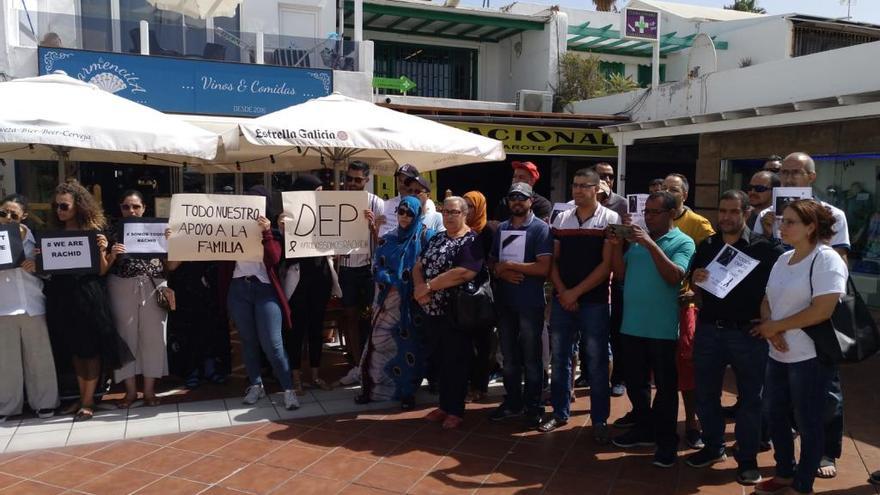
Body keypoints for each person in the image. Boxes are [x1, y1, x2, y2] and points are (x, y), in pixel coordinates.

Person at [754, 152, 850, 479]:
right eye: (785, 173)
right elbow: (765, 285)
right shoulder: (772, 228)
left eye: (797, 173)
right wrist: (772, 330)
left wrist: (774, 327)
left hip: (812, 347)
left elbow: (827, 297)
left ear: (811, 177)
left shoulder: (831, 220)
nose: (790, 179)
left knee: (817, 410)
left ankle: (818, 462)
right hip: (778, 347)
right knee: (776, 411)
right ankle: (784, 470)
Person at [686, 190, 785, 486]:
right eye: (722, 211)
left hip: (747, 334)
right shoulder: (707, 245)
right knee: (705, 394)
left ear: (745, 213)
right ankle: (714, 446)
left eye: (733, 211)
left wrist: (767, 322)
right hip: (709, 331)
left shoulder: (765, 249)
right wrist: (696, 279)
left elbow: (780, 287)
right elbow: (694, 285)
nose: (726, 217)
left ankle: (747, 459)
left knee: (751, 400)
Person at [610, 191, 695, 468]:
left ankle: (667, 440)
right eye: (646, 211)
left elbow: (674, 277)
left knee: (666, 388)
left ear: (671, 214)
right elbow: (621, 274)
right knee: (636, 383)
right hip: (632, 324)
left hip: (662, 329)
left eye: (654, 212)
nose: (648, 216)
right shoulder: (637, 242)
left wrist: (649, 245)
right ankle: (644, 428)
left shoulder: (683, 242)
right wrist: (615, 245)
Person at [538, 169, 618, 440]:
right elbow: (554, 262)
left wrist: (575, 293)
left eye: (585, 186)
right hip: (564, 300)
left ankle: (599, 420)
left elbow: (607, 265)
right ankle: (560, 413)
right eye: (575, 185)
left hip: (595, 302)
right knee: (559, 359)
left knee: (596, 361)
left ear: (598, 189)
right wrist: (563, 292)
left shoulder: (610, 219)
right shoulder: (561, 218)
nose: (578, 190)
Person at [43, 180, 131, 421]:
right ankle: (82, 396)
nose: (59, 211)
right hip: (63, 297)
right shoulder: (53, 236)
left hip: (89, 296)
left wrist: (108, 253)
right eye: (56, 206)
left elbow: (102, 271)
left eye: (64, 206)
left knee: (90, 350)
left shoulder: (94, 233)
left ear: (78, 206)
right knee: (74, 349)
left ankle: (88, 400)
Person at [220, 185, 298, 410]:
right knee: (248, 340)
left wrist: (266, 231)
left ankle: (288, 389)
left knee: (273, 344)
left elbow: (274, 258)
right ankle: (256, 384)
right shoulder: (230, 228)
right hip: (238, 288)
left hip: (265, 290)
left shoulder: (272, 233)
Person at [355, 196, 434, 409]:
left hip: (413, 306)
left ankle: (407, 392)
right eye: (401, 212)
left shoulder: (426, 237)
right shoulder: (388, 239)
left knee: (410, 348)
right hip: (387, 303)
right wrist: (388, 278)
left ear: (417, 214)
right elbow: (376, 266)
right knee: (377, 345)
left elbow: (432, 265)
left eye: (410, 213)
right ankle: (372, 389)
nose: (405, 217)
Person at [414, 196, 484, 430]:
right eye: (445, 211)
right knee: (440, 359)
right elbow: (419, 265)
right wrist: (418, 288)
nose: (448, 216)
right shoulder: (437, 237)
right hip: (431, 310)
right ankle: (443, 405)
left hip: (457, 311)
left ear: (465, 214)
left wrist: (430, 286)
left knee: (457, 360)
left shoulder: (471, 240)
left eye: (454, 212)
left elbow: (465, 272)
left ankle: (456, 409)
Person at [488, 182, 553, 428]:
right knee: (509, 357)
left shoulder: (541, 229)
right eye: (512, 197)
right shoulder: (502, 228)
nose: (516, 201)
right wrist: (501, 272)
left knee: (532, 358)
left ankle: (534, 405)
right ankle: (513, 402)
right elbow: (493, 262)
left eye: (521, 198)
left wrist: (510, 267)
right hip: (505, 303)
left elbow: (543, 267)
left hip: (530, 304)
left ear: (531, 201)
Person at [107, 190, 174, 408]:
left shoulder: (159, 230)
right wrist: (111, 255)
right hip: (121, 286)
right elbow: (102, 267)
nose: (131, 211)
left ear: (144, 208)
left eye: (136, 206)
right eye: (126, 207)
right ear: (120, 209)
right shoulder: (112, 232)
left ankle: (149, 390)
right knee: (125, 338)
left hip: (154, 285)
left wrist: (174, 245)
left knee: (154, 338)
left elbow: (171, 266)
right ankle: (130, 392)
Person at [665, 173, 715, 450]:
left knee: (687, 364)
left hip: (686, 307)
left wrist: (695, 289)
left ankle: (693, 422)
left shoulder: (698, 224)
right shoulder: (652, 219)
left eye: (674, 189)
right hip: (658, 307)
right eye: (664, 188)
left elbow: (713, 259)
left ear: (685, 194)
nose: (668, 193)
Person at [0, 194, 58, 422]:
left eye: (14, 214)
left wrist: (37, 266)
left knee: (40, 358)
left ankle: (44, 403)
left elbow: (51, 271)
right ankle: (7, 406)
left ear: (23, 216)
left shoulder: (37, 240)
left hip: (33, 304)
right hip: (3, 306)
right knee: (5, 360)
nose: (8, 218)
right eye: (3, 213)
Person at [284, 175, 336, 393]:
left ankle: (315, 375)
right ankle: (295, 377)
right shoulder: (287, 217)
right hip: (299, 282)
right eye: (318, 190)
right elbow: (283, 256)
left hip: (321, 280)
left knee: (317, 329)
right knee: (297, 330)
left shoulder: (326, 215)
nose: (321, 195)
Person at [338, 161, 385, 366]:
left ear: (366, 180)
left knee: (368, 315)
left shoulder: (377, 203)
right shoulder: (334, 200)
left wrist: (373, 226)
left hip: (367, 268)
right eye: (349, 178)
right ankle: (355, 361)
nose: (352, 183)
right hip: (346, 267)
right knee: (349, 315)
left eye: (357, 179)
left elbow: (382, 242)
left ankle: (367, 359)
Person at [463, 190, 497, 402]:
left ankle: (479, 386)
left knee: (484, 343)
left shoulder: (489, 230)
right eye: (464, 205)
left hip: (483, 293)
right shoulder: (460, 230)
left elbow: (494, 260)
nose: (467, 210)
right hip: (463, 295)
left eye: (471, 206)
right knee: (466, 342)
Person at [379, 164, 436, 237]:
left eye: (406, 181)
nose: (402, 184)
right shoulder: (387, 204)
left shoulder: (428, 204)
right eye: (399, 180)